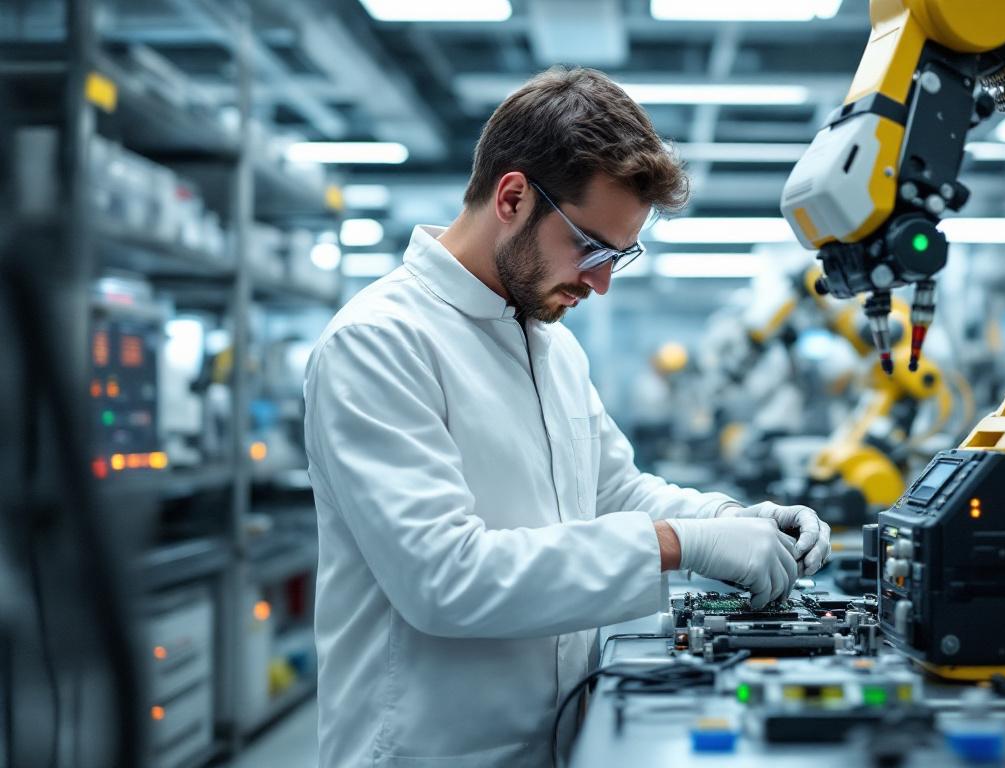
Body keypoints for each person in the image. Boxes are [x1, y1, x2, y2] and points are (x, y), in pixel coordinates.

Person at [303, 66, 832, 768]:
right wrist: (681, 544)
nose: (602, 282)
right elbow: (444, 579)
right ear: (513, 197)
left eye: (620, 256)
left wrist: (734, 518)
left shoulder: (550, 344)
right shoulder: (379, 342)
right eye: (590, 247)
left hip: (555, 742)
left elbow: (615, 492)